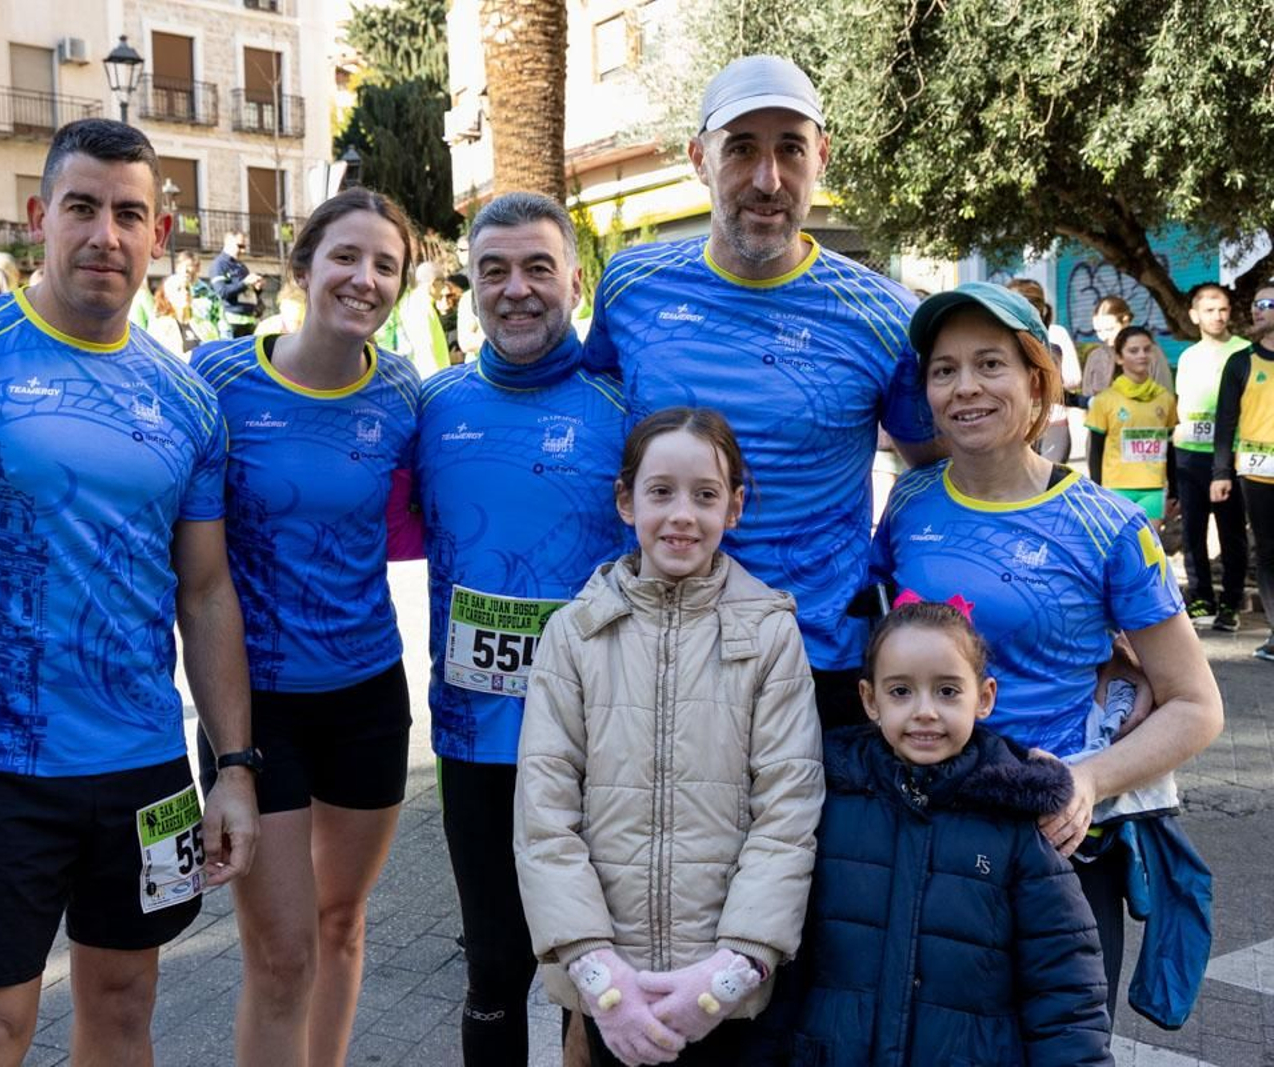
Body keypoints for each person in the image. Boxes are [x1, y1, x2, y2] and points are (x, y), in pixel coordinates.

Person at [0, 118, 259, 1062]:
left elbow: (207, 590)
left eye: (129, 213)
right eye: (83, 207)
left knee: (122, 1005)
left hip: (144, 770)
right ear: (40, 217)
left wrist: (234, 767)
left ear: (160, 232)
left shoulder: (185, 397)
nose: (106, 232)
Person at [873, 281, 1223, 1015]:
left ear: (1036, 381)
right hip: (929, 837)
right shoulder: (909, 505)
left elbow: (1197, 705)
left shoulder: (1110, 526)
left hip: (1057, 848)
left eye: (990, 364)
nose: (965, 386)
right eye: (945, 369)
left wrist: (1089, 779)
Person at [582, 54, 942, 729]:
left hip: (817, 663)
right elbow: (590, 424)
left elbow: (939, 473)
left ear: (822, 157)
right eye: (742, 148)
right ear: (698, 158)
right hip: (658, 649)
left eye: (791, 149)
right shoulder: (631, 287)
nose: (767, 179)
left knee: (802, 840)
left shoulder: (886, 315)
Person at [515, 407, 824, 1067]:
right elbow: (544, 813)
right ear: (626, 500)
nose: (683, 513)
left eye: (705, 494)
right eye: (661, 491)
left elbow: (787, 812)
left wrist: (734, 966)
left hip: (721, 981)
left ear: (734, 507)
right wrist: (597, 969)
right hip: (610, 984)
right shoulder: (575, 634)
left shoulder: (769, 635)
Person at [189, 187, 420, 1067]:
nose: (364, 279)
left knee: (342, 920)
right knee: (281, 956)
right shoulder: (218, 379)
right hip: (256, 709)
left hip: (368, 695)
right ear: (303, 269)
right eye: (346, 258)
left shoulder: (403, 390)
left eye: (385, 265)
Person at [414, 191, 630, 1065]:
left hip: (604, 742)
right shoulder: (429, 406)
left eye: (538, 266)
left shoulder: (628, 410)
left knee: (598, 975)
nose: (516, 289)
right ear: (469, 286)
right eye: (493, 270)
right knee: (495, 970)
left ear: (576, 280)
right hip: (474, 744)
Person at [784, 600, 1113, 1065]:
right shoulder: (828, 802)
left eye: (947, 692)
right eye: (900, 692)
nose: (924, 712)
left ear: (984, 697)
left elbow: (1064, 984)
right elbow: (786, 967)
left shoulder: (1015, 820)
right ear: (869, 699)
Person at [1173, 283, 1250, 628]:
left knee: (1232, 532)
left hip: (1231, 457)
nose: (1217, 316)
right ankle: (1201, 598)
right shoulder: (1188, 357)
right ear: (1194, 315)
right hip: (1190, 456)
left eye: (1222, 309)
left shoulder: (1245, 351)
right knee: (1192, 531)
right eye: (1208, 310)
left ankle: (1231, 602)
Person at [1212, 282, 1274, 662]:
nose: (1257, 310)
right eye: (1255, 304)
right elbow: (1225, 422)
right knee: (1268, 552)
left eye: (1267, 304)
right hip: (1256, 474)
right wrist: (1220, 473)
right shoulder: (1240, 362)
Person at [1085, 324, 1179, 532]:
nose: (1142, 355)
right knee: (1121, 552)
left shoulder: (1165, 399)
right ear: (1119, 357)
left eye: (1147, 349)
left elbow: (1170, 447)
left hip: (1153, 489)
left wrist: (1175, 489)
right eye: (1133, 350)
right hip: (1115, 488)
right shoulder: (1105, 400)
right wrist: (1096, 490)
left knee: (1147, 551)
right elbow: (1096, 450)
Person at [1005, 278, 1080, 463]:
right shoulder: (1057, 334)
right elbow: (1073, 379)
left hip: (1022, 424)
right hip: (1050, 423)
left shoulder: (1001, 339)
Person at [1081, 295, 1174, 399]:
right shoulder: (1096, 357)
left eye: (1109, 329)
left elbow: (1165, 393)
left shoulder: (1150, 352)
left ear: (1125, 322)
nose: (1104, 337)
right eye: (1098, 331)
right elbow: (1088, 398)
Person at [211, 230, 263, 336]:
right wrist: (245, 283)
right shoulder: (219, 264)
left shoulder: (241, 266)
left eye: (244, 247)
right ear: (228, 242)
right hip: (231, 321)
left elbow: (246, 292)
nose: (243, 250)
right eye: (240, 246)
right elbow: (222, 292)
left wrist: (257, 288)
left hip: (249, 320)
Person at [148, 274, 209, 357]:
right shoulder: (160, 327)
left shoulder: (203, 324)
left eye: (187, 288)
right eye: (179, 289)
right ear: (168, 296)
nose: (185, 292)